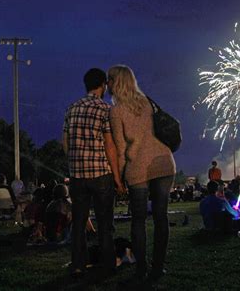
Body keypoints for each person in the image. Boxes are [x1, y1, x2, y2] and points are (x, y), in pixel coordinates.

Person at [107, 65, 176, 281]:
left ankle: (141, 268)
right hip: (164, 162)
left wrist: (118, 178)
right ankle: (158, 266)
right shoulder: (146, 102)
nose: (107, 83)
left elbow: (120, 148)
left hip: (138, 166)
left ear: (115, 82)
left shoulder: (116, 111)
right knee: (160, 217)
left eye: (109, 79)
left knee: (138, 221)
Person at [62, 68, 124, 278]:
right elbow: (110, 145)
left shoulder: (72, 108)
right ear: (103, 85)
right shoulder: (104, 109)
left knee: (79, 223)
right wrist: (117, 177)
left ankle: (78, 264)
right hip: (100, 174)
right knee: (105, 223)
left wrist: (74, 162)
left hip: (78, 175)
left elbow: (66, 143)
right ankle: (108, 265)